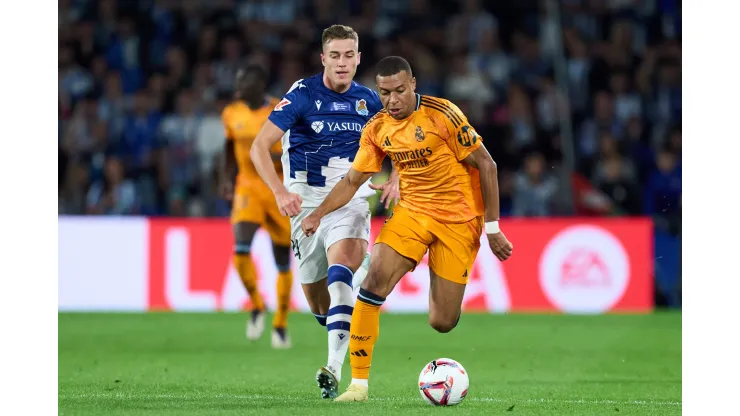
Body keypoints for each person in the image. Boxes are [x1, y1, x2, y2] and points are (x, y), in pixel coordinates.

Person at [301, 56, 514, 402]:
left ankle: (433, 273)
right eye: (384, 93)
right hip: (412, 213)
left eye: (399, 90)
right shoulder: (377, 128)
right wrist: (317, 214)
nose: (392, 100)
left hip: (458, 220)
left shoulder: (442, 114)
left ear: (413, 83)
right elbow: (354, 179)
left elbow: (487, 165)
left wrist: (492, 228)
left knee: (442, 321)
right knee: (371, 287)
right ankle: (358, 386)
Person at [249, 25, 399, 398]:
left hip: (350, 203)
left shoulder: (369, 101)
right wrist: (280, 191)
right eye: (335, 55)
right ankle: (362, 272)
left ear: (359, 58)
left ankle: (333, 369)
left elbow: (403, 138)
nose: (343, 62)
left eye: (349, 55)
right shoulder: (302, 94)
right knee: (322, 308)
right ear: (323, 59)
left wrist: (397, 177)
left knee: (339, 277)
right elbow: (259, 147)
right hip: (304, 208)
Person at [220, 65, 294, 349]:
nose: (238, 84)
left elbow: (291, 148)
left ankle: (281, 324)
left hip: (278, 189)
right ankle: (257, 304)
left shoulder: (280, 111)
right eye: (238, 79)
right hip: (247, 186)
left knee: (282, 260)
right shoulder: (231, 113)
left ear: (260, 82)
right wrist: (226, 178)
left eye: (244, 79)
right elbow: (228, 148)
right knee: (240, 248)